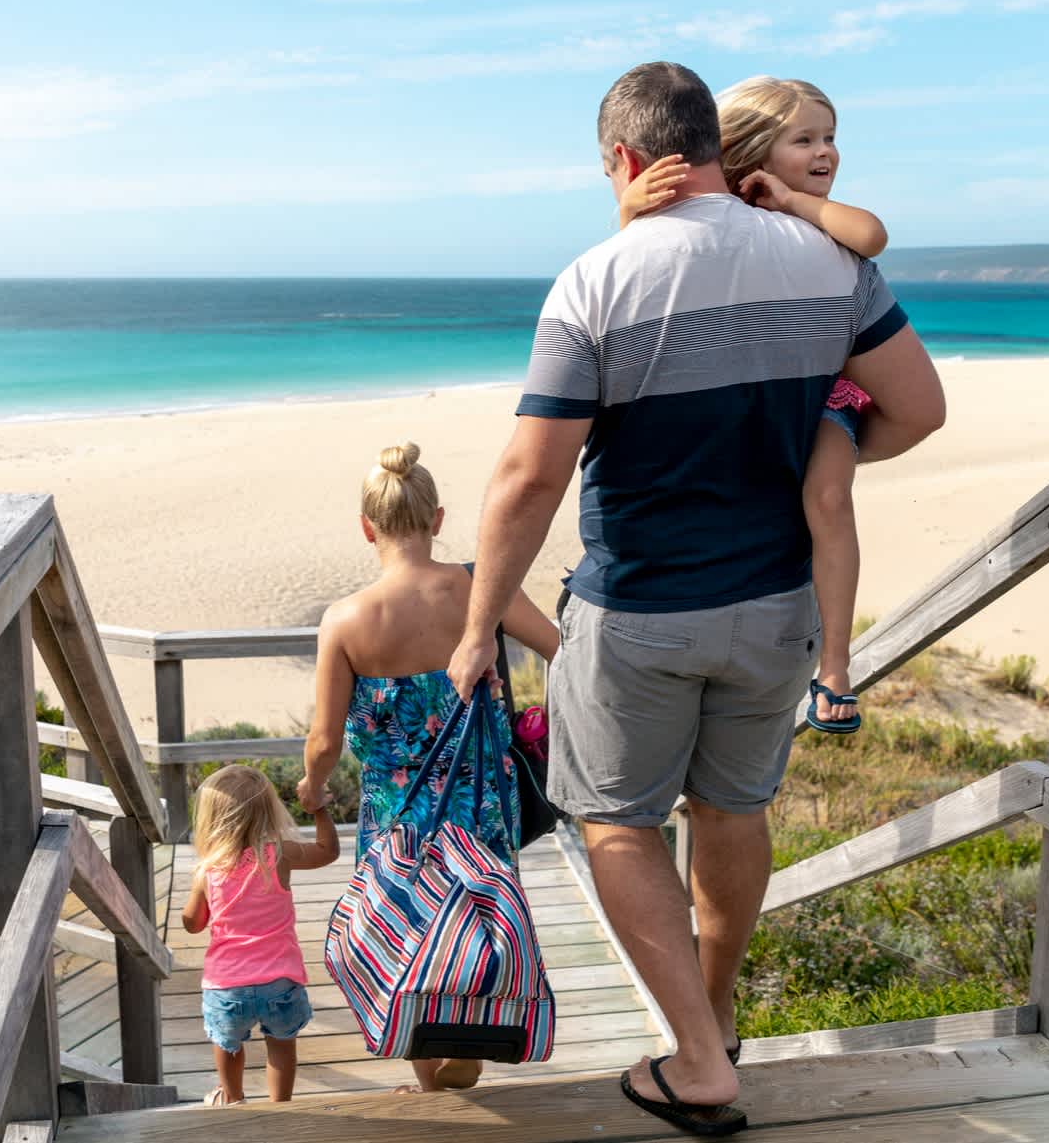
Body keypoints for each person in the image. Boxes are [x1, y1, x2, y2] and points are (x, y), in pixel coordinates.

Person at [447, 62, 943, 1136]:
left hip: (640, 612)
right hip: (775, 605)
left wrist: (481, 621)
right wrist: (835, 437)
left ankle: (701, 1061)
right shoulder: (828, 258)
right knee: (734, 809)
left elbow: (530, 478)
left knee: (619, 824)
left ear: (625, 162)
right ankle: (709, 1014)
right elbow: (921, 408)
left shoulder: (595, 278)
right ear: (721, 148)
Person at [619, 75, 887, 733]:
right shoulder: (721, 216)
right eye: (804, 139)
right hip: (764, 391)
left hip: (827, 392)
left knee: (826, 499)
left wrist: (794, 198)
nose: (825, 150)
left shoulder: (815, 215)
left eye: (829, 137)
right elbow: (643, 266)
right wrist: (627, 212)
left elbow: (871, 234)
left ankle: (834, 667)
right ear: (749, 146)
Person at [296, 441, 560, 1093]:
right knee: (481, 915)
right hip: (479, 802)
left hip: (396, 810)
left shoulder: (345, 621)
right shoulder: (476, 586)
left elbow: (324, 738)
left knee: (405, 930)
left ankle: (429, 1070)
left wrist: (311, 786)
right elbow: (560, 646)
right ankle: (474, 1036)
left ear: (367, 527)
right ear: (436, 519)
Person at [181, 764, 339, 1106]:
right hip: (280, 981)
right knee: (281, 1047)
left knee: (228, 1044)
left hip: (227, 986)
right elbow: (328, 852)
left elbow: (193, 923)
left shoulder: (208, 869)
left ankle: (234, 1098)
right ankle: (280, 1105)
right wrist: (319, 809)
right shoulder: (278, 853)